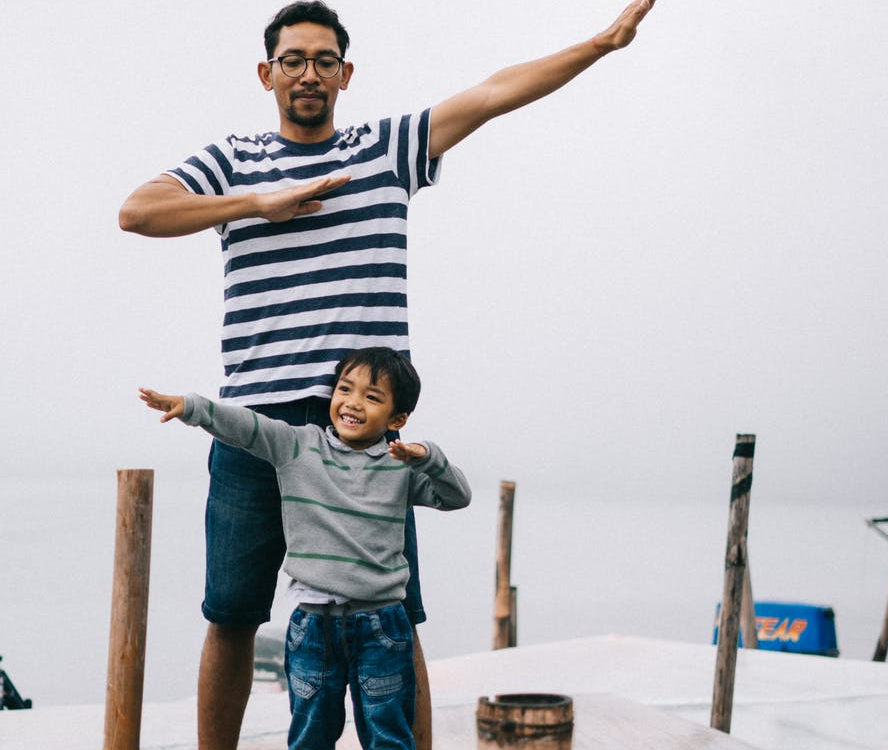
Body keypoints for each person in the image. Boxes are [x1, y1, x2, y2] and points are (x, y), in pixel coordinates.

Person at [118, 2, 656, 748]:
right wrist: (256, 203)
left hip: (366, 429)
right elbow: (138, 211)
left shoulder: (386, 149)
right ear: (267, 74)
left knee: (396, 617)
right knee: (232, 615)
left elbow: (494, 93)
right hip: (257, 424)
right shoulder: (234, 161)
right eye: (294, 60)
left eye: (325, 60)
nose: (309, 73)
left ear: (346, 74)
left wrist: (600, 43)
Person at [140, 347, 471, 750]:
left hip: (382, 627)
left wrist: (428, 457)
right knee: (310, 737)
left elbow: (456, 496)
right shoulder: (298, 447)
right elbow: (247, 426)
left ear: (397, 419)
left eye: (371, 397)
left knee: (388, 736)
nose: (352, 403)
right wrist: (192, 408)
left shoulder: (399, 466)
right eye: (344, 389)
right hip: (313, 626)